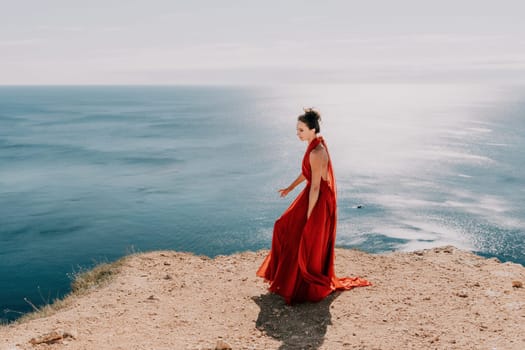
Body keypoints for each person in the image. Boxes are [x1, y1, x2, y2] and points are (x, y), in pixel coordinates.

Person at [256, 108, 371, 304]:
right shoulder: (313, 146)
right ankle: (287, 279)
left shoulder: (317, 151)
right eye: (297, 130)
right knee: (283, 226)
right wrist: (290, 188)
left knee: (301, 234)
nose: (297, 133)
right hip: (311, 193)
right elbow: (308, 173)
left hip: (317, 198)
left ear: (311, 129)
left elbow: (317, 186)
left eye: (301, 130)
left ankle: (301, 284)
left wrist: (309, 216)